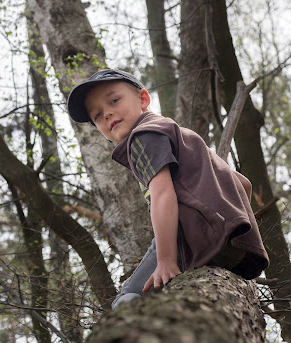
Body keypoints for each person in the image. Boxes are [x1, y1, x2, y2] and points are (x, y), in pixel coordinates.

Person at [67, 69, 269, 309]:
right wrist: (229, 227)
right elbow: (243, 183)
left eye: (114, 100)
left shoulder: (141, 137)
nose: (107, 113)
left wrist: (166, 260)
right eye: (98, 115)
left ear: (143, 99)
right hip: (240, 250)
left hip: (194, 242)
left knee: (127, 297)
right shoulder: (181, 134)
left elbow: (162, 195)